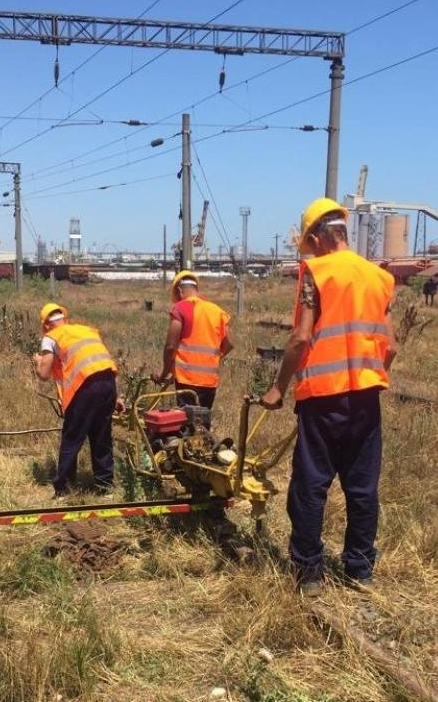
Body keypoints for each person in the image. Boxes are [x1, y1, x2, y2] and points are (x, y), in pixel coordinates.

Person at [261, 197, 397, 595]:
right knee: (362, 486)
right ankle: (359, 569)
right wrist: (369, 373)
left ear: (319, 237)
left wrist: (277, 388)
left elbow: (301, 337)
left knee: (311, 485)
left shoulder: (316, 273)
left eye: (308, 242)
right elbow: (390, 347)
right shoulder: (379, 277)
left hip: (322, 398)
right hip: (366, 398)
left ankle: (308, 574)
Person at [33, 302, 119, 497]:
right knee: (101, 436)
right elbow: (102, 361)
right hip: (108, 384)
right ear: (65, 318)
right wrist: (118, 396)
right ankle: (105, 487)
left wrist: (38, 361)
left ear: (46, 325)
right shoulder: (86, 330)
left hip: (85, 387)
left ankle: (64, 490)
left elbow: (44, 373)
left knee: (72, 436)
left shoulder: (51, 337)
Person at [151, 270, 233, 410]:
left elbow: (171, 346)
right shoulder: (216, 310)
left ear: (179, 290)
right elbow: (229, 344)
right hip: (209, 381)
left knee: (188, 427)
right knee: (203, 422)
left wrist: (163, 373)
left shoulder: (181, 308)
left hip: (186, 379)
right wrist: (211, 359)